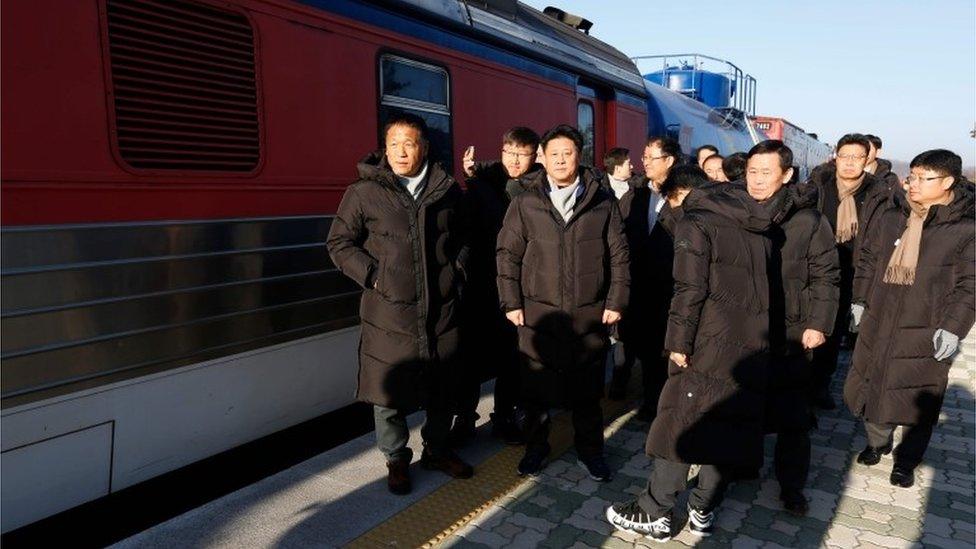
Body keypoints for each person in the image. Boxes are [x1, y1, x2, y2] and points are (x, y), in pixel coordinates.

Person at [606, 168, 775, 542]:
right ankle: (703, 507)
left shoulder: (696, 222)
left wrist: (679, 342)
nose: (670, 210)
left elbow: (688, 289)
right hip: (748, 340)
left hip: (706, 339)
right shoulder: (754, 222)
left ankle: (655, 511)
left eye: (670, 201)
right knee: (726, 422)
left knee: (678, 422)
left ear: (681, 192)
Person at [326, 112, 473, 495]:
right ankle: (396, 460)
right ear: (385, 149)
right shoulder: (364, 192)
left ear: (423, 147)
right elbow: (339, 243)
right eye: (394, 144)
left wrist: (456, 271)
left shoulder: (446, 190)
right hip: (389, 311)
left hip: (440, 308)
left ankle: (437, 451)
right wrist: (375, 276)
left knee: (442, 386)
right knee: (388, 393)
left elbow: (465, 237)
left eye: (409, 143)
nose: (402, 152)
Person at [496, 124, 629, 482]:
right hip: (539, 313)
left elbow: (619, 255)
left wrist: (616, 300)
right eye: (552, 153)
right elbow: (507, 254)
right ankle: (535, 449)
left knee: (587, 393)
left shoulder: (602, 201)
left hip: (589, 312)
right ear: (542, 157)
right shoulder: (526, 201)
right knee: (535, 392)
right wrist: (511, 301)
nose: (559, 160)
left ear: (578, 155)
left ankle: (591, 452)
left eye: (567, 153)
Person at [845, 149, 974, 488]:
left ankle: (907, 461)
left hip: (928, 325)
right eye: (912, 176)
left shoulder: (965, 229)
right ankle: (878, 442)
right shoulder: (891, 216)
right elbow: (869, 259)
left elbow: (970, 285)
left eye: (923, 178)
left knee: (920, 394)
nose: (913, 184)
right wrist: (859, 299)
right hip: (880, 315)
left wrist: (953, 327)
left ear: (947, 182)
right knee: (873, 381)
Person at [748, 140, 840, 515]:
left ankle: (792, 486)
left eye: (765, 172)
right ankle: (742, 465)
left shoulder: (809, 221)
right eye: (751, 171)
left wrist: (819, 323)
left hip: (791, 331)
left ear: (786, 175)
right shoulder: (733, 211)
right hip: (744, 329)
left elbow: (827, 277)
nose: (755, 180)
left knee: (792, 417)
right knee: (746, 404)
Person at [450, 127, 541, 447]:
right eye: (510, 153)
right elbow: (464, 230)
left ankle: (503, 417)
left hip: (520, 287)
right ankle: (463, 417)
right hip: (481, 284)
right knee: (469, 356)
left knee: (511, 358)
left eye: (523, 154)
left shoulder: (541, 189)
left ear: (536, 155)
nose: (515, 161)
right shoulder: (482, 185)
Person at [807, 133, 888, 410]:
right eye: (845, 156)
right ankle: (802, 383)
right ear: (835, 157)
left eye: (857, 157)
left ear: (868, 160)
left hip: (853, 273)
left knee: (835, 330)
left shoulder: (879, 193)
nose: (850, 163)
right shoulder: (818, 186)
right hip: (815, 272)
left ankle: (820, 385)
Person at [600, 148, 653, 404]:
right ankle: (618, 382)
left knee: (629, 333)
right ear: (616, 166)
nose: (634, 166)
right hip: (606, 271)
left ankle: (627, 385)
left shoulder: (639, 190)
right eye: (629, 162)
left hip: (635, 270)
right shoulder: (598, 188)